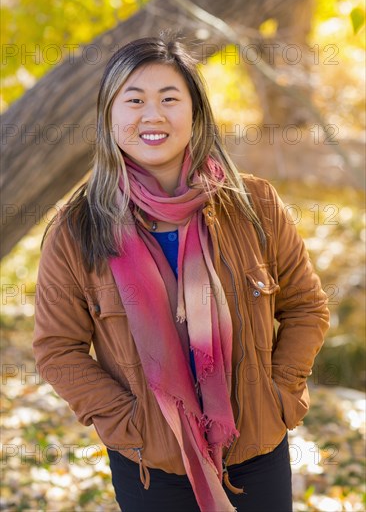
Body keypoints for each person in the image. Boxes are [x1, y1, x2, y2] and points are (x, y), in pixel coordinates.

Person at [33, 34, 330, 512]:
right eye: (134, 100)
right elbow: (57, 349)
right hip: (152, 465)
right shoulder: (77, 229)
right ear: (110, 117)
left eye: (170, 99)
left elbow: (306, 308)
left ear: (195, 113)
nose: (153, 116)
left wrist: (278, 394)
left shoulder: (254, 205)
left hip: (256, 450)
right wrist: (130, 424)